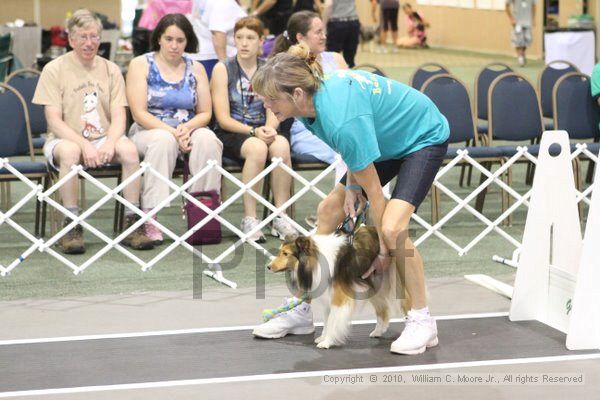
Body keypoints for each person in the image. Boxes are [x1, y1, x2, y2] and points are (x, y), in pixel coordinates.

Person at [251, 43, 449, 355]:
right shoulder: (306, 108)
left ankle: (423, 321)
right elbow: (353, 148)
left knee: (393, 229)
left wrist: (383, 250)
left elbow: (375, 192)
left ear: (297, 94)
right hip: (381, 137)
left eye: (271, 98)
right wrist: (350, 187)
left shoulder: (338, 116)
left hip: (421, 136)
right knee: (328, 209)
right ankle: (305, 307)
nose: (266, 104)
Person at [32, 9, 155, 254]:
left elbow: (120, 115)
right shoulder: (54, 69)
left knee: (130, 151)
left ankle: (132, 223)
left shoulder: (111, 70)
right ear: (71, 40)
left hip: (103, 137)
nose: (89, 43)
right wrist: (84, 144)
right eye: (83, 37)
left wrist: (110, 142)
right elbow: (54, 120)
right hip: (64, 138)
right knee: (69, 152)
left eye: (94, 37)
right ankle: (72, 226)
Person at [126, 13, 222, 245]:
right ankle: (150, 217)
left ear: (188, 41)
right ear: (159, 38)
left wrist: (186, 129)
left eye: (180, 40)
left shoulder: (196, 68)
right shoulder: (140, 64)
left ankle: (203, 213)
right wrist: (174, 133)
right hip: (147, 131)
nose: (174, 45)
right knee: (163, 141)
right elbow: (139, 113)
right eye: (169, 39)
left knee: (208, 139)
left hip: (187, 129)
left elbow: (205, 113)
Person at [210, 16, 298, 243]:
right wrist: (253, 131)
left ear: (261, 41)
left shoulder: (268, 69)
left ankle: (280, 215)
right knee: (258, 149)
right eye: (239, 38)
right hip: (233, 132)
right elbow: (222, 118)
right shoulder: (223, 69)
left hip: (263, 129)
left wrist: (269, 128)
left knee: (281, 145)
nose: (244, 43)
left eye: (250, 38)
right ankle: (250, 218)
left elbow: (275, 106)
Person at [271, 11, 347, 175]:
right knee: (346, 151)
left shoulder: (336, 59)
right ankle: (350, 199)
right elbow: (275, 104)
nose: (324, 36)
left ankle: (371, 199)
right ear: (300, 37)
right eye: (318, 32)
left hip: (341, 125)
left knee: (368, 146)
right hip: (309, 132)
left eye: (323, 31)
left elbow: (350, 97)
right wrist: (269, 128)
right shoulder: (288, 67)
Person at [189, 0, 247, 79]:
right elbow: (218, 33)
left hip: (202, 53)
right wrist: (224, 66)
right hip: (213, 58)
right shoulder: (223, 3)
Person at [324, 0, 360, 68]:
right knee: (350, 59)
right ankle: (350, 76)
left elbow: (328, 4)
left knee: (332, 57)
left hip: (337, 23)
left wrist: (323, 25)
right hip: (353, 22)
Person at [506, 0, 535, 67]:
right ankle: (520, 56)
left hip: (527, 22)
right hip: (517, 22)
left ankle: (522, 53)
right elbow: (507, 6)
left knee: (528, 39)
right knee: (518, 40)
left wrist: (533, 19)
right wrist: (511, 19)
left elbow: (534, 6)